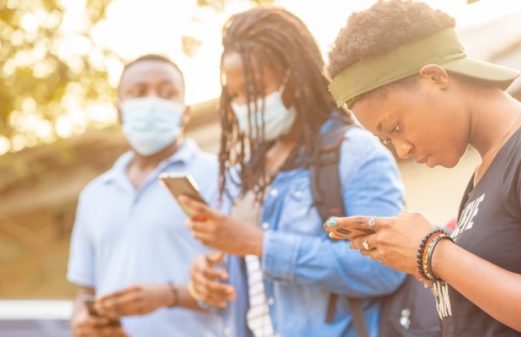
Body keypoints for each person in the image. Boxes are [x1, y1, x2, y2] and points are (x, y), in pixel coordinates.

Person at [324, 1, 521, 337]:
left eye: (397, 127)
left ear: (435, 77)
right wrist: (417, 256)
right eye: (388, 141)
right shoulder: (484, 174)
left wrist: (432, 251)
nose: (402, 149)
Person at [179, 7, 406, 337]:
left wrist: (264, 245)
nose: (242, 106)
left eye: (254, 92)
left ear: (295, 78)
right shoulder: (244, 175)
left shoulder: (355, 154)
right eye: (235, 95)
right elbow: (249, 288)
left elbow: (387, 268)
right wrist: (206, 282)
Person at [67, 54, 224, 337]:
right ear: (119, 111)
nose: (152, 102)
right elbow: (86, 290)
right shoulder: (95, 194)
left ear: (184, 111)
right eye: (138, 93)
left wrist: (170, 295)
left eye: (167, 93)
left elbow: (241, 285)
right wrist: (82, 320)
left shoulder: (221, 177)